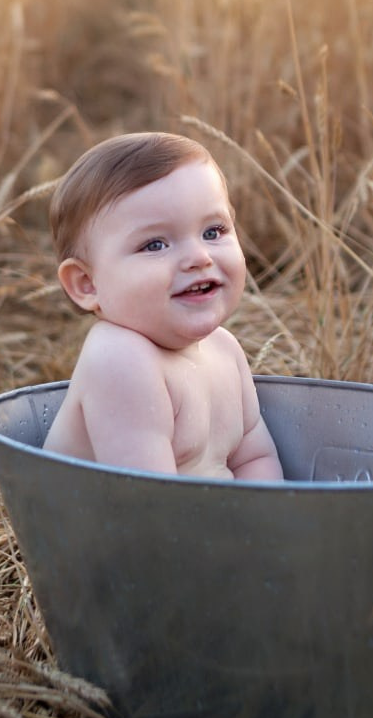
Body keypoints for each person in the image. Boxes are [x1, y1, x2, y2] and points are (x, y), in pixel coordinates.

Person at [41, 132, 284, 481]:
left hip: (212, 527)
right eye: (155, 244)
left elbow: (254, 457)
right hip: (118, 533)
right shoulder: (120, 359)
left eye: (213, 232)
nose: (199, 258)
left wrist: (272, 524)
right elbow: (150, 505)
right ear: (87, 284)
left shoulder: (225, 350)